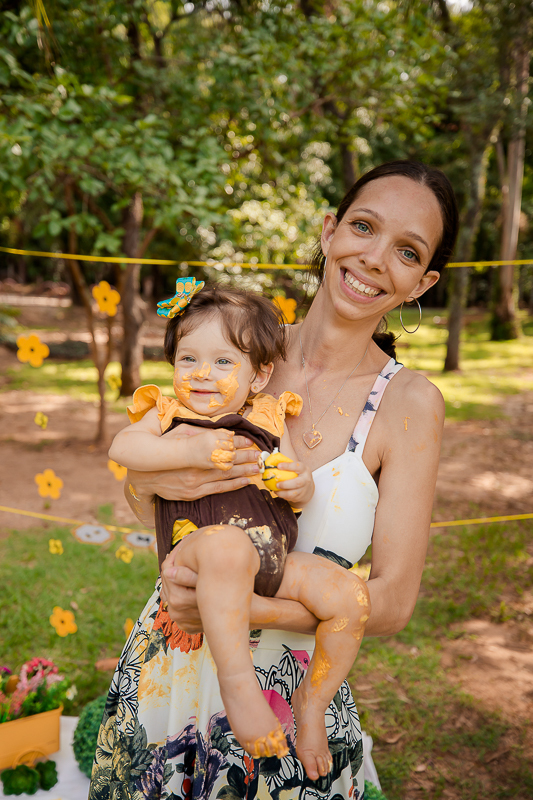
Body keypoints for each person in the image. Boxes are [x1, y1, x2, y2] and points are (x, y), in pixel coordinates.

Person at [89, 160, 459, 800]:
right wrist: (147, 485)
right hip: (168, 670)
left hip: (288, 704)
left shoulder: (409, 405)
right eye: (363, 227)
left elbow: (393, 601)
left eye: (405, 250)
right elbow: (143, 493)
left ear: (422, 281)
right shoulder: (230, 353)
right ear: (328, 230)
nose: (373, 258)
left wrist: (235, 606)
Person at [107, 284, 370, 777]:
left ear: (260, 374)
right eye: (189, 358)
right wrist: (186, 451)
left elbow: (295, 480)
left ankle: (312, 704)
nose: (202, 374)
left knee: (350, 596)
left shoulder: (269, 415)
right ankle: (239, 687)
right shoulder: (165, 414)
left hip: (271, 561)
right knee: (227, 547)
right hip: (200, 558)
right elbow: (124, 449)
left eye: (224, 362)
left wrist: (297, 484)